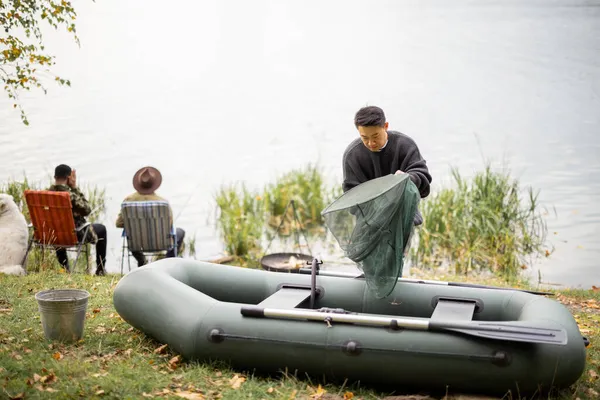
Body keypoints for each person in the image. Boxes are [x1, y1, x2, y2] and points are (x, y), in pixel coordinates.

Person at [342, 105, 432, 225]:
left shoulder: (405, 145)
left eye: (375, 136)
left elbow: (423, 178)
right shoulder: (352, 155)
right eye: (364, 138)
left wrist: (407, 179)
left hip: (405, 219)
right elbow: (350, 195)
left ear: (385, 126)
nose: (371, 143)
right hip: (370, 223)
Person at [115, 166, 185, 267]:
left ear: (138, 183)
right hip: (161, 243)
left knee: (129, 234)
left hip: (136, 245)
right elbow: (169, 225)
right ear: (155, 184)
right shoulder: (163, 203)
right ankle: (168, 264)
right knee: (180, 232)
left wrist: (135, 225)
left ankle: (141, 261)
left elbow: (118, 223)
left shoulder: (128, 201)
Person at [48, 164, 107, 275]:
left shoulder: (46, 195)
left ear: (55, 177)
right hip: (74, 234)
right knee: (101, 229)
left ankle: (65, 268)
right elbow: (87, 210)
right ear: (69, 177)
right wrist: (74, 187)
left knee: (58, 229)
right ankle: (100, 269)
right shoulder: (69, 195)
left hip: (54, 234)